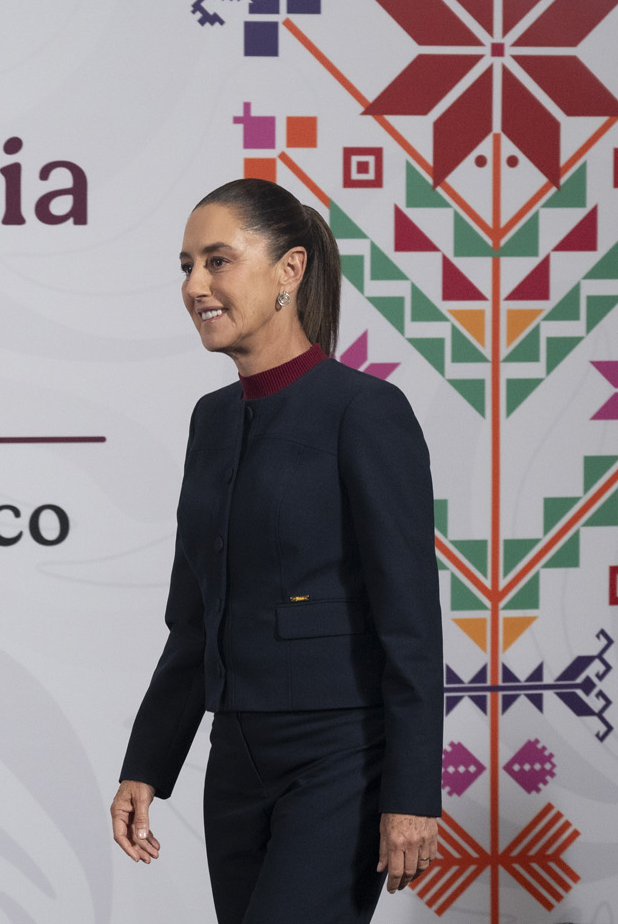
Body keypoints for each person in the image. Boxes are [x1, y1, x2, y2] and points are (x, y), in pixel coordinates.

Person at [109, 179, 442, 924]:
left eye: (218, 261)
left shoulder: (365, 411)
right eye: (187, 266)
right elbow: (194, 620)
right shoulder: (212, 421)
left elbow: (411, 623)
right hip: (235, 760)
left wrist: (414, 794)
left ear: (290, 269)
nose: (195, 286)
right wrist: (147, 764)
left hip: (341, 759)